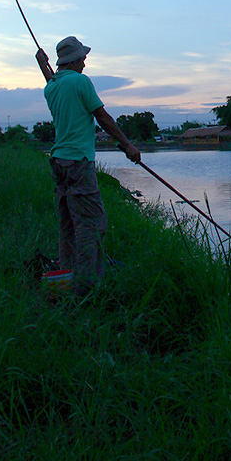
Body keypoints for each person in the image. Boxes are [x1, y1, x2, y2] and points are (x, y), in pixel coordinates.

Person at [35, 36, 141, 297]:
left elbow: (53, 80)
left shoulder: (51, 88)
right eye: (82, 57)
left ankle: (69, 278)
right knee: (91, 223)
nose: (85, 61)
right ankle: (87, 285)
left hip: (58, 163)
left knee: (69, 223)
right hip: (79, 163)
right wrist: (128, 146)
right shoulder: (82, 82)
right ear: (74, 60)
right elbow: (102, 117)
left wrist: (43, 66)